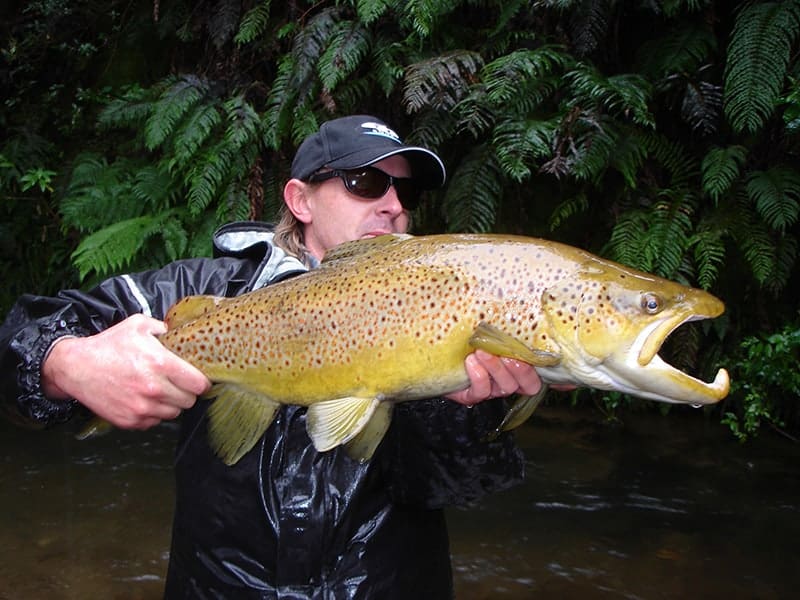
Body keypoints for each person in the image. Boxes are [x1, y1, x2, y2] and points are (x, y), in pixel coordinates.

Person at [0, 115, 547, 599]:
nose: (394, 205)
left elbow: (464, 488)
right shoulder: (202, 291)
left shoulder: (450, 305)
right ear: (299, 200)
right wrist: (65, 362)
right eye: (366, 181)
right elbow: (23, 333)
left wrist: (459, 407)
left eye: (407, 192)